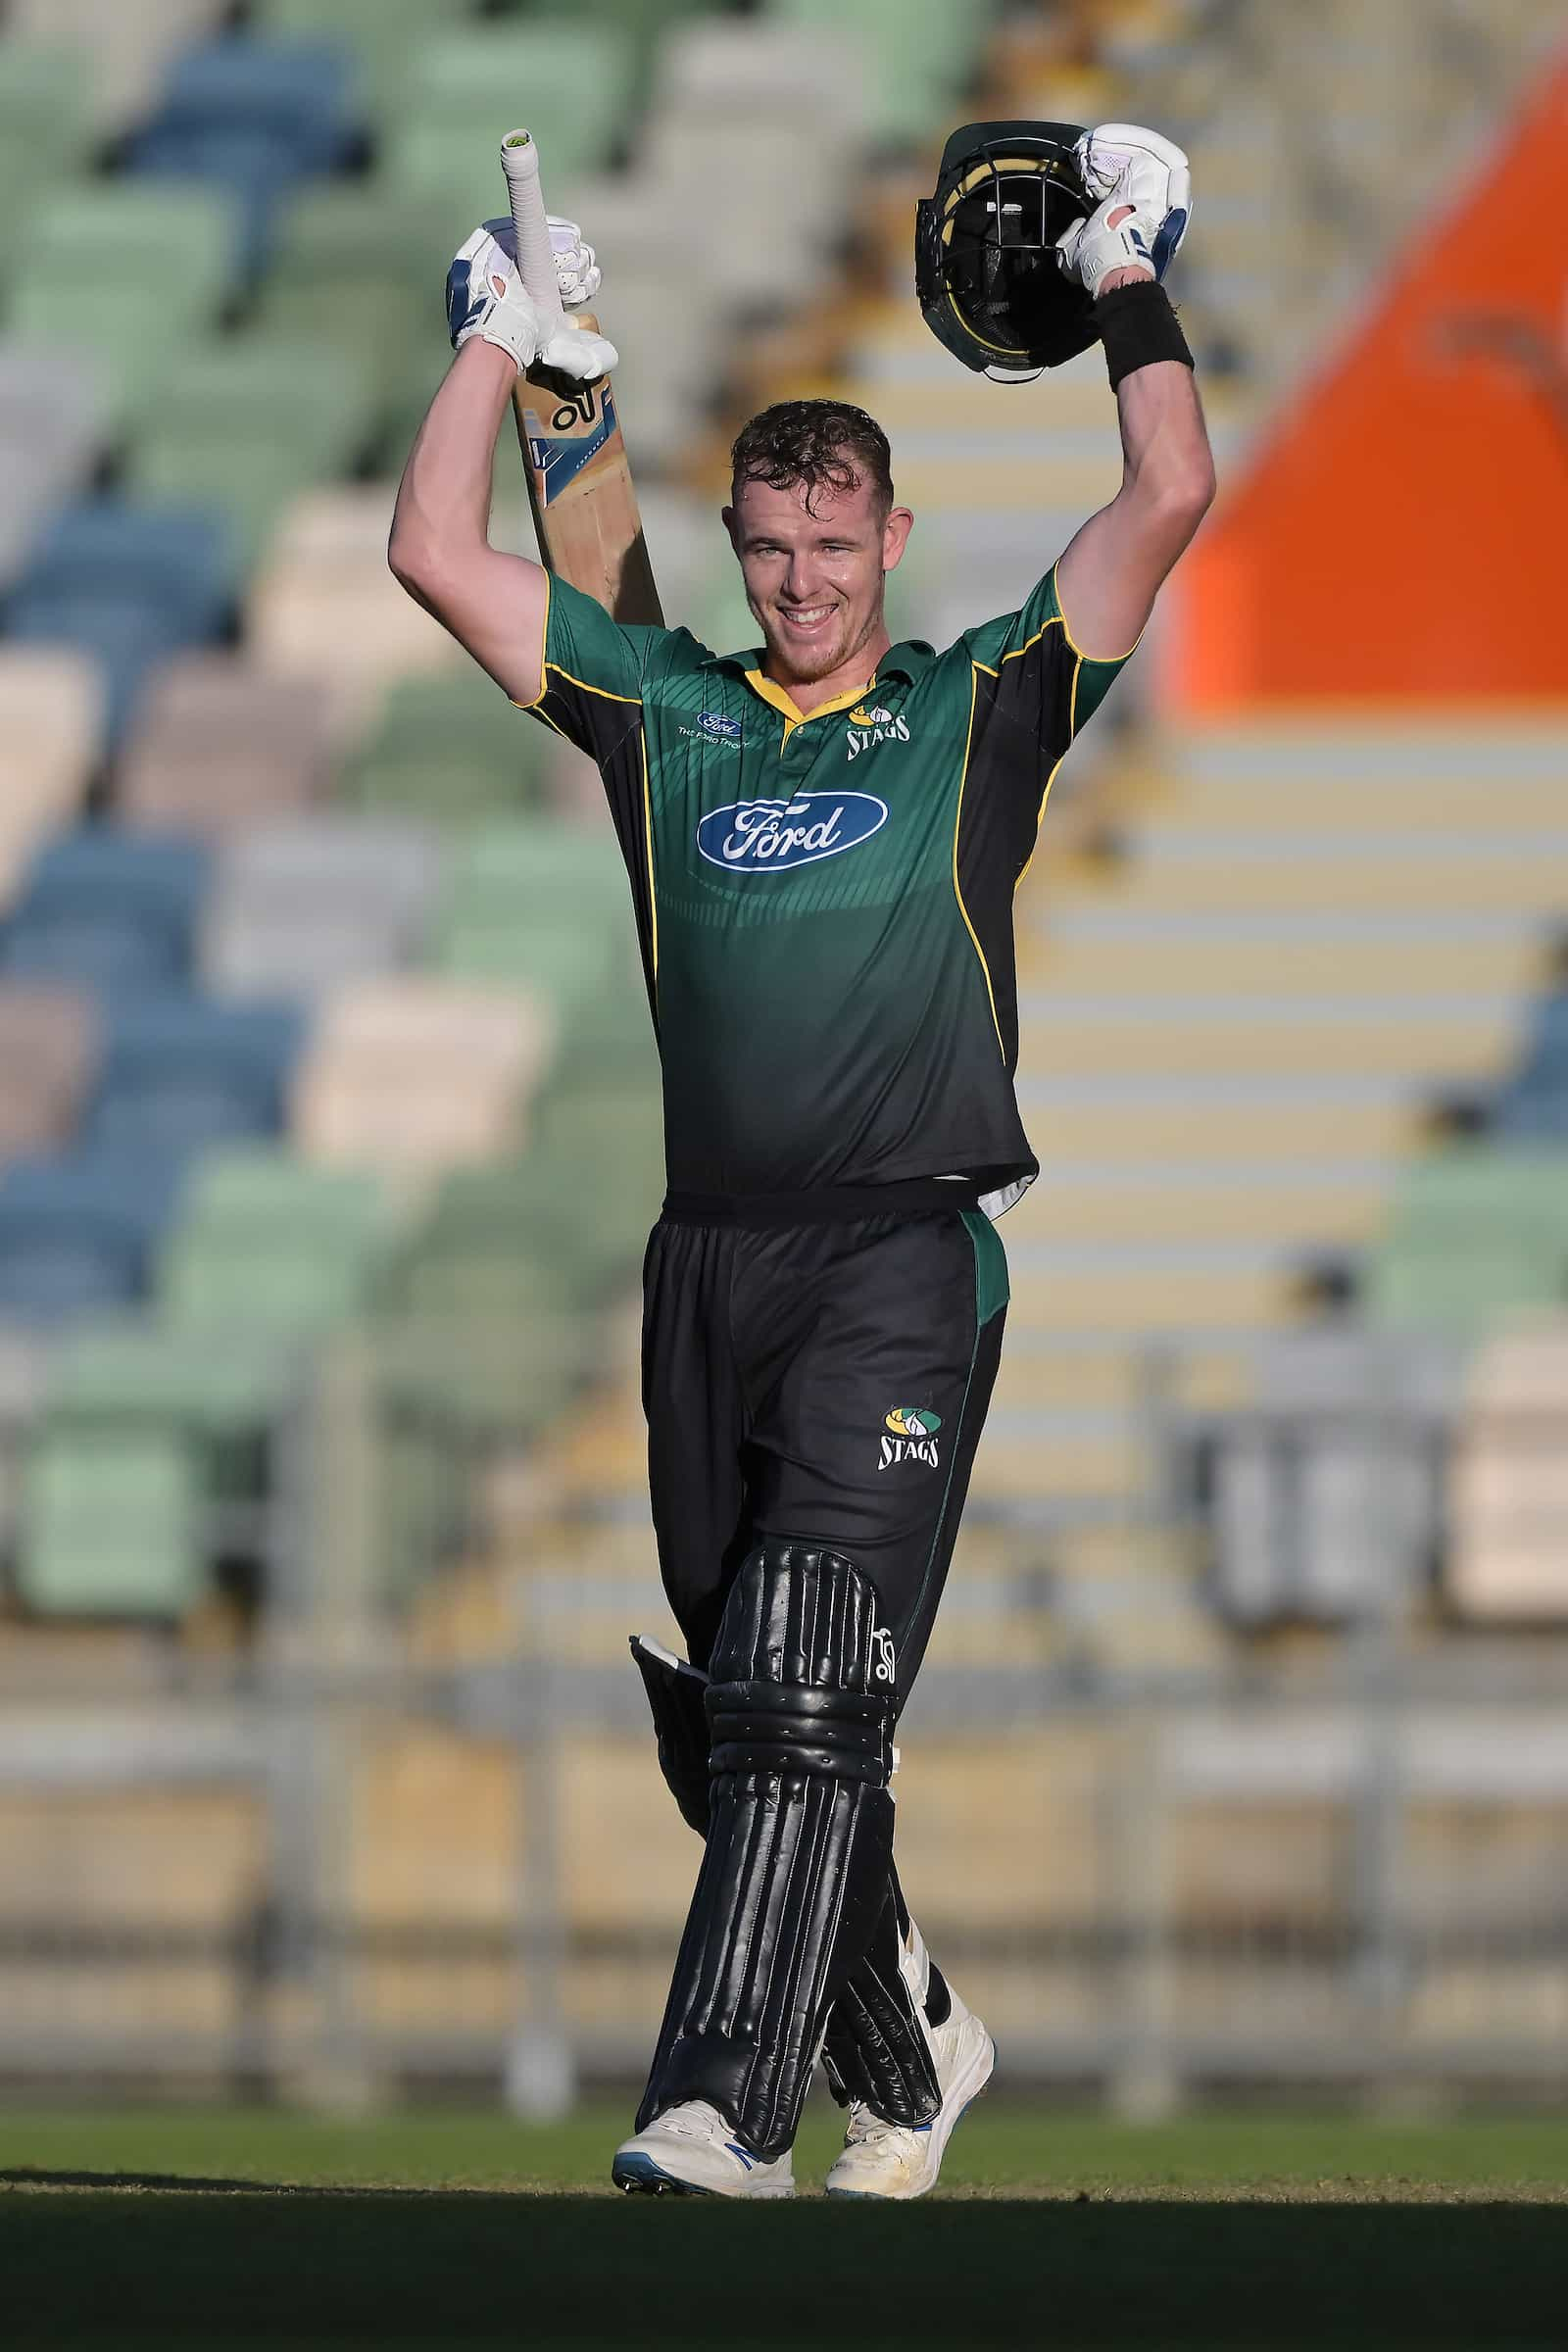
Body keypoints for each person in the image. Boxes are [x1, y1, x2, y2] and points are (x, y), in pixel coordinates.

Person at [390, 122, 1214, 2201]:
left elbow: (1169, 491)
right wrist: (509, 352)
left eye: (832, 549)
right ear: (739, 545)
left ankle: (721, 2108)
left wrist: (1123, 273)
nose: (800, 582)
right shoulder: (667, 715)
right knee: (733, 1711)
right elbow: (437, 557)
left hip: (903, 1260)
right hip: (707, 1266)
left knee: (803, 1666)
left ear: (889, 533)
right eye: (767, 551)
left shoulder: (972, 714)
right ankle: (906, 2028)